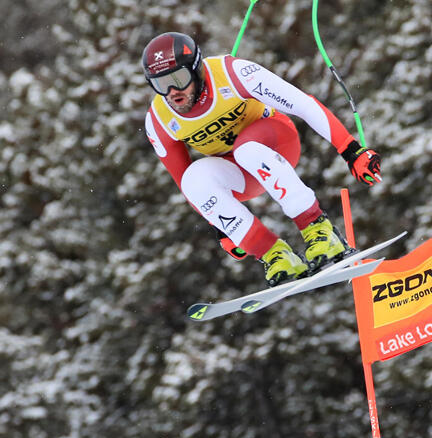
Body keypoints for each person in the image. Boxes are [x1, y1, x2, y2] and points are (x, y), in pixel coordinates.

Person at [142, 32, 382, 287]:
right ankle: (276, 255)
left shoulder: (233, 73)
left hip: (276, 145)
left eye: (178, 79)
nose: (172, 92)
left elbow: (303, 105)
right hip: (239, 174)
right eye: (160, 84)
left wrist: (350, 149)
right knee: (193, 179)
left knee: (247, 150)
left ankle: (319, 230)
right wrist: (222, 227)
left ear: (197, 68)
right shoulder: (159, 120)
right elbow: (185, 181)